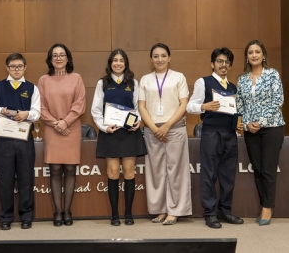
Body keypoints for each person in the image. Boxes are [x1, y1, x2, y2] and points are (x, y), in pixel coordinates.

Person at [186, 47, 244, 229]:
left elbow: (235, 112)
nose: (224, 65)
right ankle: (210, 213)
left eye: (227, 62)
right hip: (211, 133)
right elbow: (190, 106)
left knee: (228, 175)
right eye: (220, 61)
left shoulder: (233, 87)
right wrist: (205, 106)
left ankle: (224, 210)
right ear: (212, 64)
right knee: (209, 174)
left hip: (230, 134)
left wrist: (239, 124)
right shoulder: (203, 82)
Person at [91, 49, 147, 226]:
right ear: (110, 63)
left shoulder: (133, 82)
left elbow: (138, 108)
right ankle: (115, 215)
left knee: (129, 173)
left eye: (121, 60)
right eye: (115, 60)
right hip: (111, 133)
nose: (118, 63)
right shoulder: (103, 83)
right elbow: (96, 110)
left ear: (126, 63)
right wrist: (104, 127)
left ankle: (128, 214)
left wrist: (137, 121)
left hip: (129, 133)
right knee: (113, 173)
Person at [0, 53, 41, 230]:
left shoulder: (32, 88)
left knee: (26, 178)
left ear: (25, 67)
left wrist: (27, 115)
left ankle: (26, 215)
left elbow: (37, 112)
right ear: (7, 67)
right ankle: (5, 217)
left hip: (25, 139)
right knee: (5, 179)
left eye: (19, 66)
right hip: (4, 139)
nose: (16, 69)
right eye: (12, 66)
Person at [138, 43, 192, 225]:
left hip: (174, 129)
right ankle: (160, 209)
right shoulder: (145, 79)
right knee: (156, 171)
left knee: (176, 170)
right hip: (152, 130)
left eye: (163, 55)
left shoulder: (179, 77)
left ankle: (175, 210)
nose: (159, 59)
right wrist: (154, 128)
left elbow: (183, 104)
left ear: (169, 57)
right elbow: (141, 107)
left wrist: (167, 125)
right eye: (155, 56)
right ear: (151, 59)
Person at [236, 40, 285, 226]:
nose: (254, 55)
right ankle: (266, 204)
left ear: (263, 55)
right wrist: (247, 124)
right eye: (250, 52)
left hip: (272, 127)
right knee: (257, 169)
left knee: (268, 169)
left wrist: (261, 122)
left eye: (257, 52)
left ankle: (266, 208)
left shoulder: (272, 75)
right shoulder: (242, 79)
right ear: (247, 57)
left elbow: (277, 100)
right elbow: (240, 105)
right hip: (251, 130)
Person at [38, 43, 86, 227]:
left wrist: (66, 121)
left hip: (71, 128)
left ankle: (68, 210)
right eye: (55, 55)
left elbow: (80, 104)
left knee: (70, 170)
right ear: (50, 59)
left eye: (62, 54)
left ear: (68, 58)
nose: (58, 58)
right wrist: (56, 123)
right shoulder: (43, 80)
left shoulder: (76, 78)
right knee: (55, 170)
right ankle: (57, 211)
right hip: (52, 128)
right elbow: (40, 106)